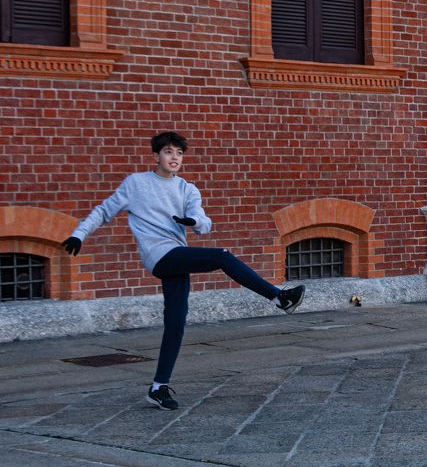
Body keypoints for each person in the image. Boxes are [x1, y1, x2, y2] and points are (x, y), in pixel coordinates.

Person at [61, 131, 305, 411]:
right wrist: (79, 234)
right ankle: (279, 297)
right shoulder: (136, 184)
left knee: (176, 322)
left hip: (178, 255)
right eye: (168, 152)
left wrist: (193, 221)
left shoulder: (187, 189)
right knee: (222, 256)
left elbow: (204, 222)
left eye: (178, 153)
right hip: (158, 254)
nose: (174, 157)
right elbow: (103, 211)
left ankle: (158, 388)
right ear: (157, 156)